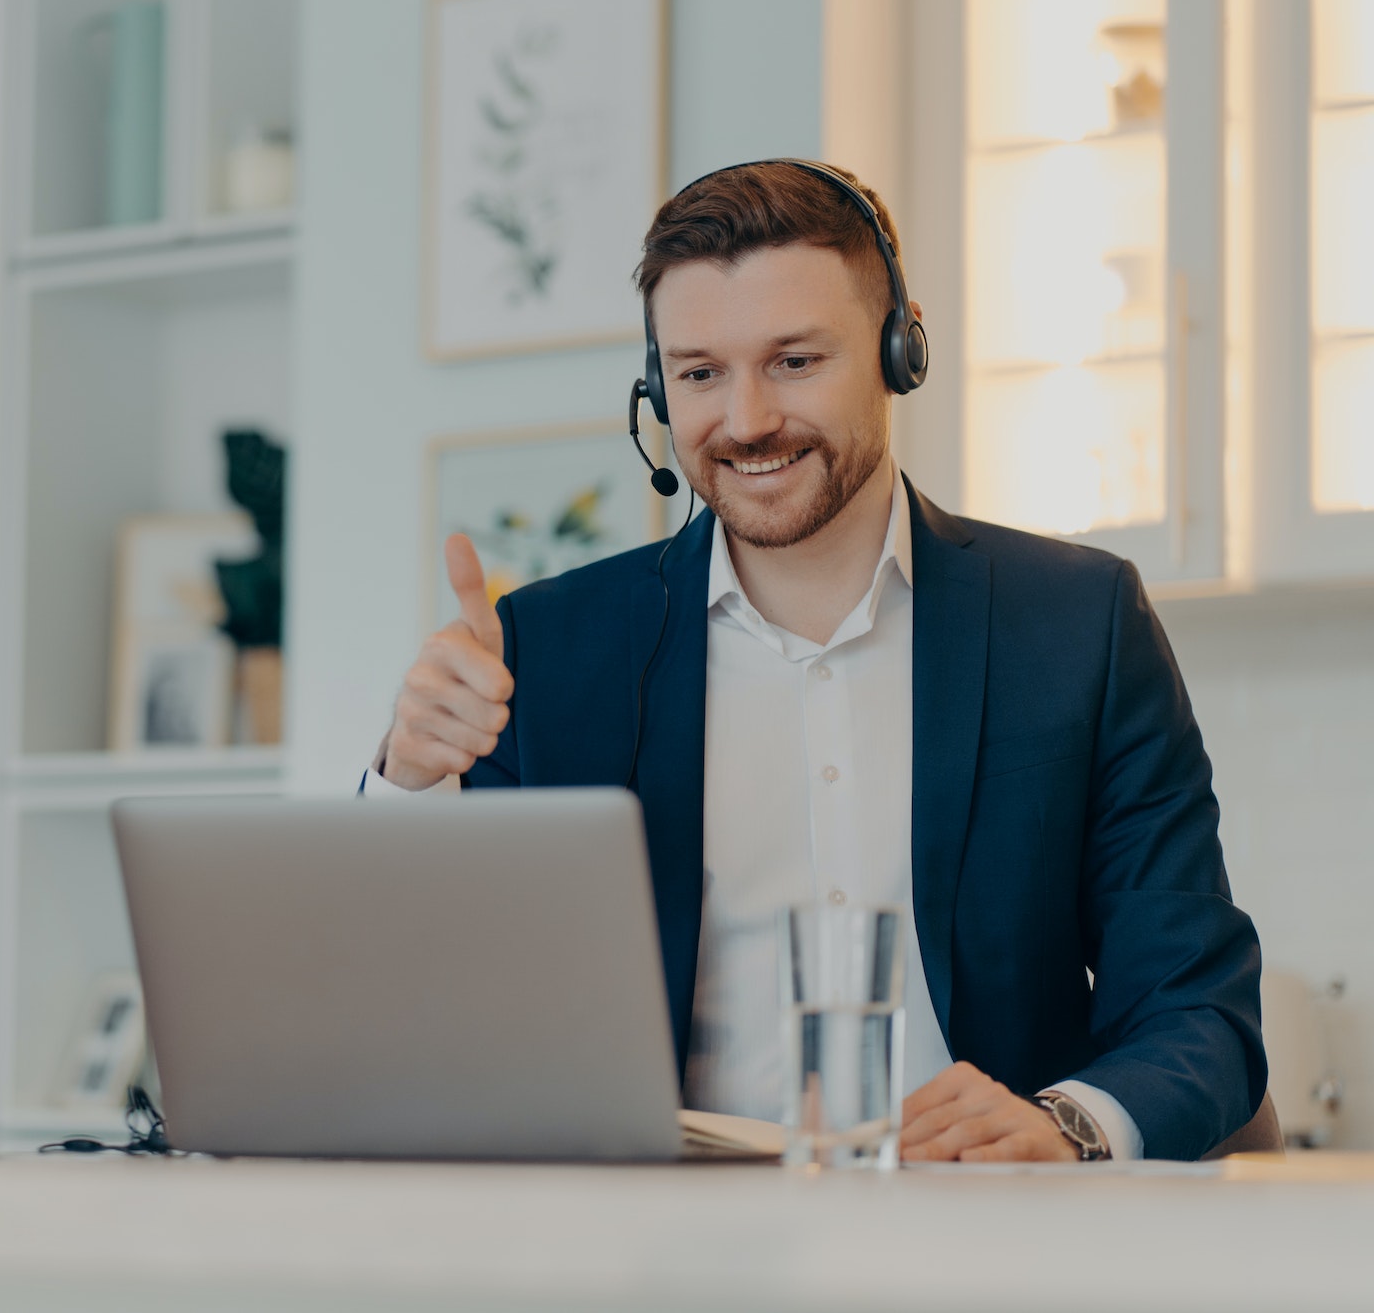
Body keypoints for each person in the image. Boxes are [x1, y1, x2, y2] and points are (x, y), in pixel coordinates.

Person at [364, 160, 1265, 1163]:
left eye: (793, 361)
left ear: (897, 348)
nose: (744, 420)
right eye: (699, 373)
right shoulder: (542, 646)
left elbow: (1198, 1009)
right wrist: (411, 778)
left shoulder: (1077, 623)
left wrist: (1065, 1125)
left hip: (989, 1243)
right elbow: (407, 1012)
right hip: (647, 1252)